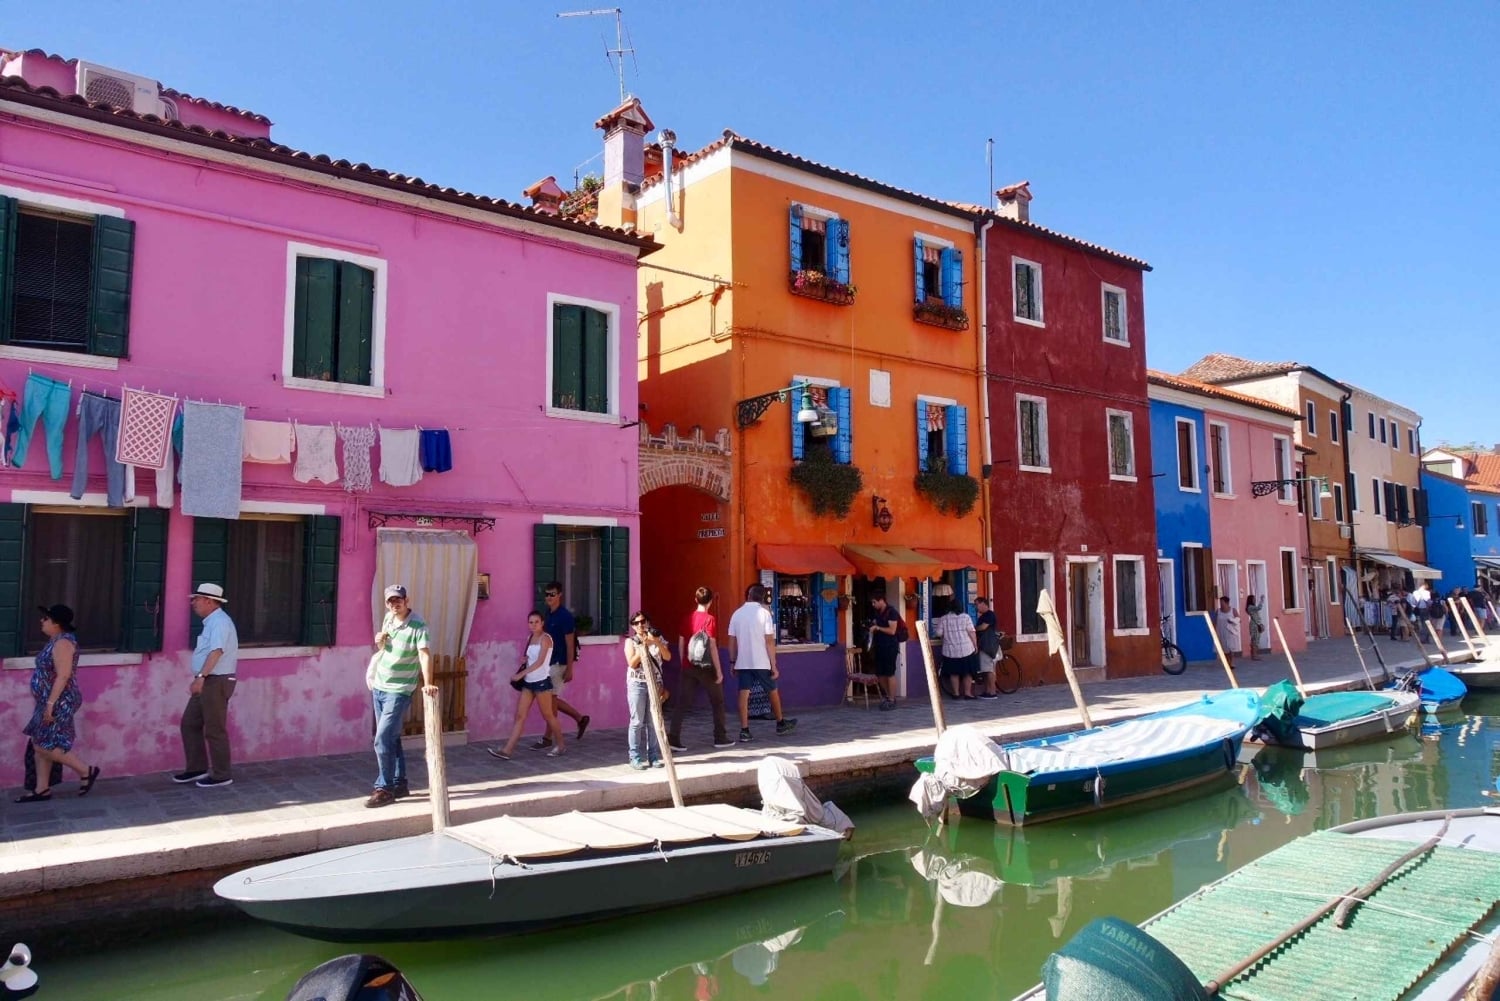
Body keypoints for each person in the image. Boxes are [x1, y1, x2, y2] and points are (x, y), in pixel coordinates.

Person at [14, 605, 99, 803]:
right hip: (48, 699)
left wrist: (51, 703)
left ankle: (86, 770)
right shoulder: (55, 641)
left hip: (60, 700)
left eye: (45, 618)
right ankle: (42, 788)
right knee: (39, 742)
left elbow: (63, 675)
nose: (42, 621)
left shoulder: (63, 643)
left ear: (57, 624)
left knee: (44, 745)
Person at [365, 584, 438, 808]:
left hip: (399, 689)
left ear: (407, 600)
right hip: (380, 685)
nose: (394, 604)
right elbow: (383, 647)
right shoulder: (389, 619)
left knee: (382, 738)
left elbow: (424, 655)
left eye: (398, 600)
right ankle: (399, 783)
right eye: (390, 601)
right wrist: (380, 640)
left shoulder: (418, 625)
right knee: (392, 737)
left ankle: (383, 788)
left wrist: (428, 684)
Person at [175, 583, 239, 788]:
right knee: (189, 723)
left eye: (197, 599)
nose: (193, 603)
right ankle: (196, 768)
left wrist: (201, 677)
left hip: (215, 681)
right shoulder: (212, 622)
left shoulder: (219, 622)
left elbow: (216, 651)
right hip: (208, 680)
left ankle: (222, 774)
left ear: (209, 601)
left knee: (214, 729)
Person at [488, 611, 565, 761]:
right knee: (520, 716)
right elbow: (531, 659)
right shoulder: (531, 637)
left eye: (536, 622)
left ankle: (561, 745)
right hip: (529, 683)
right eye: (531, 622)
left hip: (541, 682)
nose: (533, 625)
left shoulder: (546, 639)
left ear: (542, 623)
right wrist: (525, 660)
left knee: (548, 715)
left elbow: (540, 662)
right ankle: (507, 750)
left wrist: (520, 675)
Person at [727, 583, 796, 742]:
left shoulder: (736, 614)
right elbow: (769, 642)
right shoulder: (764, 614)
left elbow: (731, 641)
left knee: (743, 694)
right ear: (762, 598)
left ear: (748, 596)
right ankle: (780, 723)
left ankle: (744, 730)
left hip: (743, 662)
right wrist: (774, 665)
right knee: (772, 691)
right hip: (761, 661)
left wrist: (732, 662)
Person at [671, 587, 733, 751]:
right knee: (718, 702)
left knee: (682, 703)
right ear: (711, 601)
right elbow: (712, 646)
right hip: (706, 667)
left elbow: (681, 643)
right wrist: (719, 671)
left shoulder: (687, 618)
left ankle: (674, 737)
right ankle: (720, 737)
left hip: (688, 665)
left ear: (695, 599)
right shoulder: (709, 619)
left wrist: (683, 662)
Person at [537, 582, 589, 748]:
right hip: (548, 662)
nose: (549, 597)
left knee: (550, 699)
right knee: (550, 698)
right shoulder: (549, 614)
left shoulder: (565, 617)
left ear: (560, 595)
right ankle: (580, 718)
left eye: (552, 594)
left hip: (559, 663)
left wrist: (570, 668)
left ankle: (547, 738)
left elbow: (570, 644)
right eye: (547, 594)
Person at [623, 611, 671, 770]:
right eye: (636, 623)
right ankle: (635, 756)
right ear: (632, 626)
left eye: (643, 622)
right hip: (637, 683)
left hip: (655, 684)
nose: (640, 625)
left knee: (653, 720)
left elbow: (667, 657)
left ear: (648, 622)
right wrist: (642, 646)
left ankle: (654, 756)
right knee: (637, 721)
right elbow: (632, 663)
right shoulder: (631, 642)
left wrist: (656, 642)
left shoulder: (658, 638)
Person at [936, 597, 980, 700]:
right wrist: (975, 645)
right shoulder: (966, 617)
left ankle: (955, 693)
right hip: (966, 649)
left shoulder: (944, 618)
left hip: (950, 651)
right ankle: (967, 693)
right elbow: (971, 632)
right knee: (967, 672)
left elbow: (938, 633)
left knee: (953, 673)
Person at [866, 591, 902, 711]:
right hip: (880, 646)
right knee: (880, 674)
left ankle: (892, 699)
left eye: (874, 602)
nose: (873, 604)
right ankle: (888, 695)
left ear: (881, 600)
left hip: (890, 646)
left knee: (889, 673)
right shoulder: (877, 613)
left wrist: (878, 628)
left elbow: (892, 630)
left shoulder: (892, 612)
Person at [973, 597, 1001, 699]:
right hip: (984, 645)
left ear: (983, 604)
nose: (975, 607)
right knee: (985, 670)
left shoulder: (989, 615)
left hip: (987, 646)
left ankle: (992, 692)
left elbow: (983, 627)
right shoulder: (983, 616)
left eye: (976, 604)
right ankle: (988, 690)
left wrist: (972, 629)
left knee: (989, 670)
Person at [1212, 595, 1240, 668]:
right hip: (1221, 632)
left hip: (1230, 631)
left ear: (1227, 603)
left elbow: (1239, 619)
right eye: (1220, 602)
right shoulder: (1218, 611)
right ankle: (1227, 661)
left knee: (1230, 647)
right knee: (1224, 648)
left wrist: (1233, 621)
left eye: (1222, 602)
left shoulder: (1233, 610)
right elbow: (1214, 621)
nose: (1221, 604)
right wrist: (1213, 630)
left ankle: (1231, 662)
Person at [1244, 594, 1265, 661]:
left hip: (1255, 624)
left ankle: (1254, 655)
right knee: (1255, 640)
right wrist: (1261, 600)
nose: (1254, 600)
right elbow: (1259, 608)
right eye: (1253, 599)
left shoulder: (1251, 607)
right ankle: (1254, 655)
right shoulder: (1250, 607)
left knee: (1254, 640)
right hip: (1255, 624)